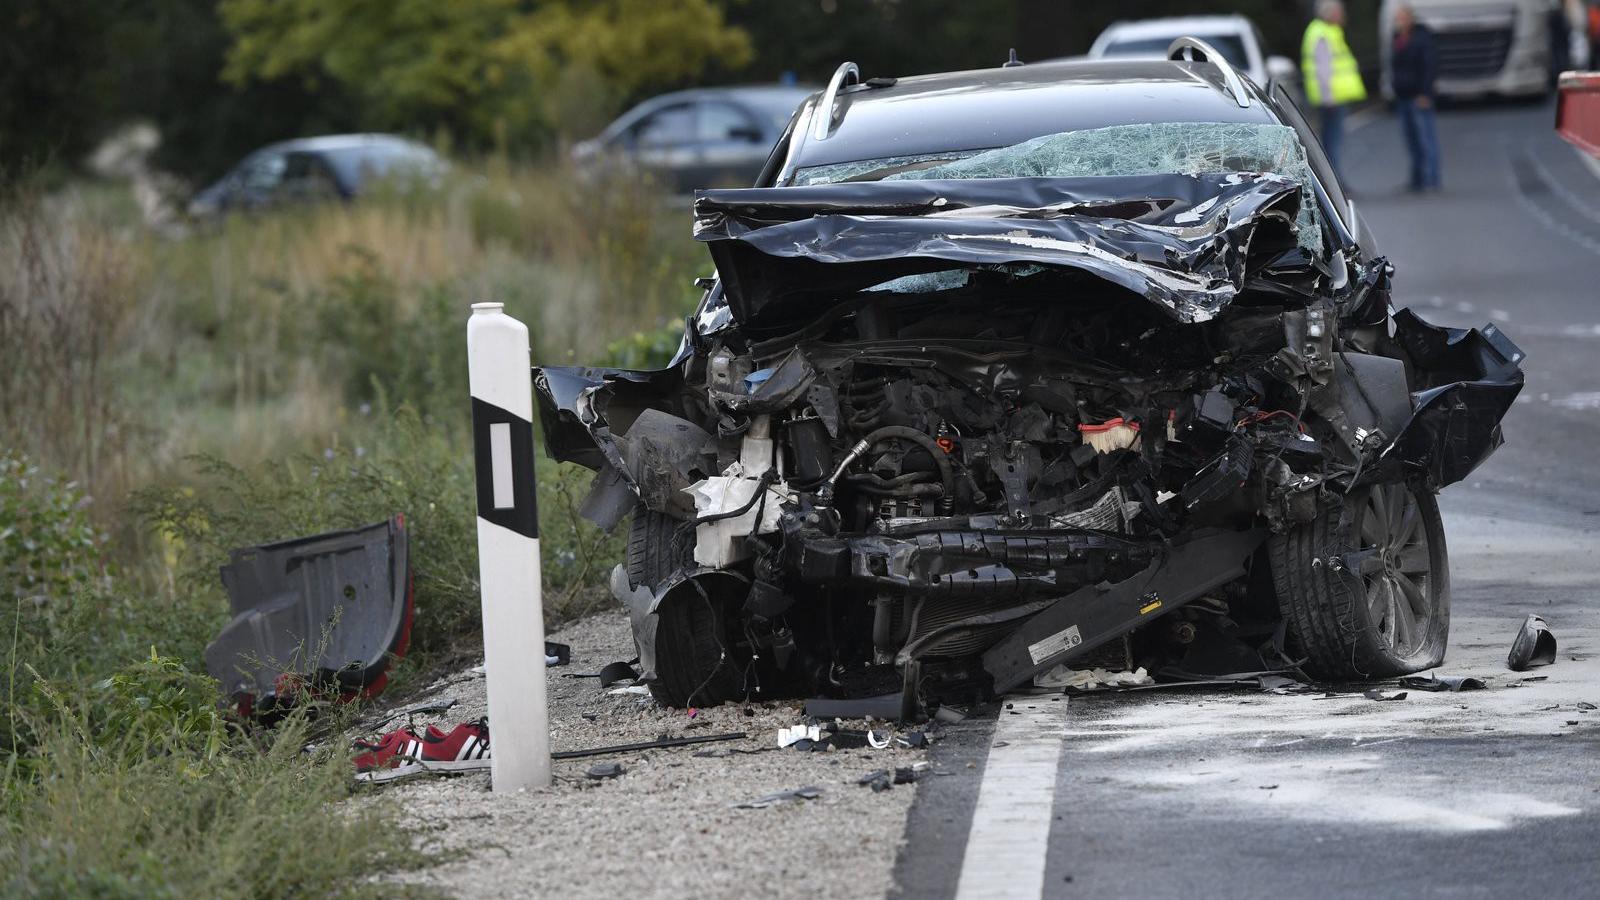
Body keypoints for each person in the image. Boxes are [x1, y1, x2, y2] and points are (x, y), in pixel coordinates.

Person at [1302, 0, 1367, 177]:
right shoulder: (1323, 34)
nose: (1343, 15)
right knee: (1332, 142)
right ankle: (1334, 181)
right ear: (1330, 14)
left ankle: (1334, 180)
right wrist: (1328, 96)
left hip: (1330, 97)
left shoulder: (1324, 31)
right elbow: (1323, 70)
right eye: (1340, 12)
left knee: (1331, 141)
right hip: (1331, 98)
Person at [1390, 4, 1441, 192]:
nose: (1399, 21)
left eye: (1402, 17)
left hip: (1419, 95)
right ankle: (1417, 179)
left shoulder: (1421, 37)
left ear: (1410, 18)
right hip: (1403, 95)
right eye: (1397, 17)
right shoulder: (1397, 37)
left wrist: (1426, 93)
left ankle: (1432, 179)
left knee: (1426, 139)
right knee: (1411, 141)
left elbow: (1429, 66)